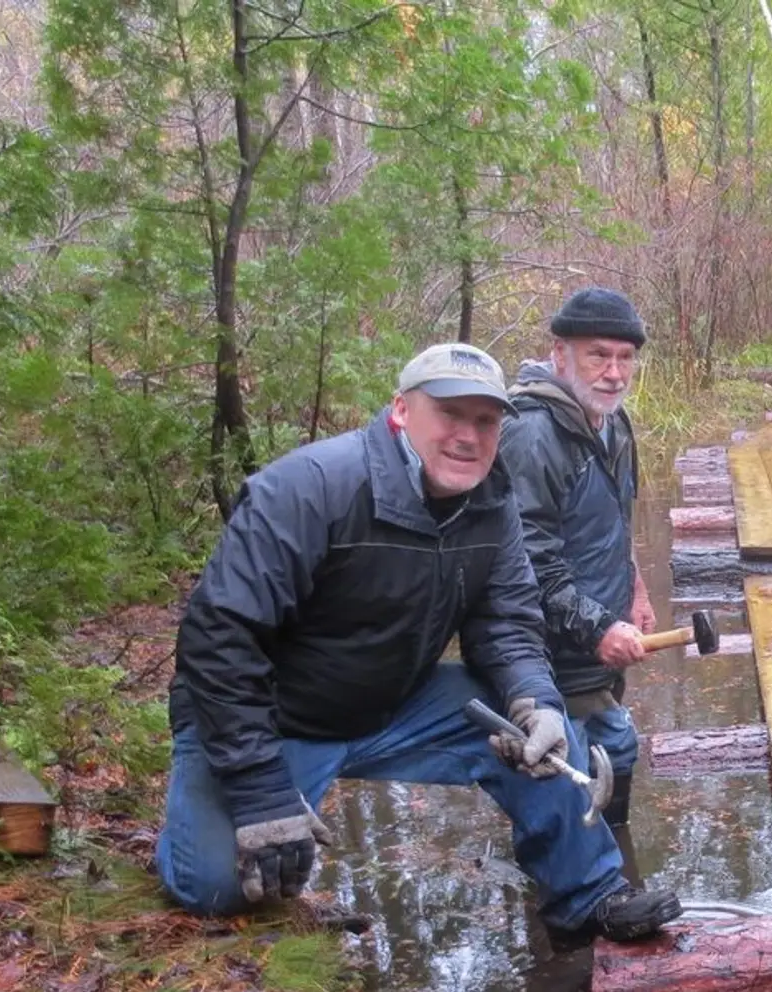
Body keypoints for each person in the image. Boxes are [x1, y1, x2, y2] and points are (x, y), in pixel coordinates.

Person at [157, 342, 682, 946]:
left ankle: (590, 897)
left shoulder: (491, 503)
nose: (468, 435)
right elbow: (218, 640)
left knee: (545, 728)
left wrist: (533, 700)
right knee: (215, 890)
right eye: (450, 414)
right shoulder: (307, 489)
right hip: (270, 714)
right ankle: (190, 827)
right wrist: (260, 792)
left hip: (391, 704)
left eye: (485, 421)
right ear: (402, 411)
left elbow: (507, 622)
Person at [498, 287, 655, 829]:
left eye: (625, 357)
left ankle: (614, 881)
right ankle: (578, 900)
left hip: (599, 649)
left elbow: (615, 516)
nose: (614, 372)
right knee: (568, 780)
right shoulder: (531, 433)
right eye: (598, 355)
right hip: (548, 659)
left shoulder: (613, 422)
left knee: (617, 758)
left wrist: (635, 588)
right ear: (559, 354)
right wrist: (597, 630)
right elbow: (526, 563)